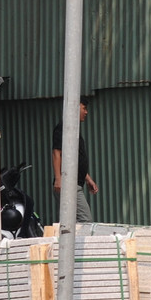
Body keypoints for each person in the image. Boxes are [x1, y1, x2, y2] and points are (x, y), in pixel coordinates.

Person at [53, 96, 99, 224]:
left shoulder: (74, 130)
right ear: (75, 107)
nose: (86, 112)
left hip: (75, 183)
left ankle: (68, 243)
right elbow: (57, 152)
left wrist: (88, 179)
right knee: (85, 220)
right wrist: (58, 179)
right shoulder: (63, 128)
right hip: (68, 184)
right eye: (84, 108)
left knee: (71, 222)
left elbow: (75, 160)